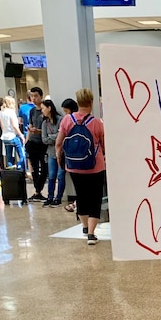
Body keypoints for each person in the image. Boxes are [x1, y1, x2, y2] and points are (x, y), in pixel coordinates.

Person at [55, 88, 105, 245]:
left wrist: (60, 158)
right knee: (95, 197)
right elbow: (104, 145)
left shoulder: (67, 120)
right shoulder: (96, 122)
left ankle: (84, 226)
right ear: (91, 102)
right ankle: (91, 234)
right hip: (94, 166)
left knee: (81, 196)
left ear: (78, 102)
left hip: (74, 166)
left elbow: (58, 143)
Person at [25, 86, 48, 201]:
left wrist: (38, 131)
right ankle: (37, 191)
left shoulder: (45, 110)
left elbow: (48, 129)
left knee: (44, 168)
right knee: (34, 168)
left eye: (36, 96)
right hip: (32, 142)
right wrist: (27, 140)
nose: (33, 99)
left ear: (41, 96)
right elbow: (30, 125)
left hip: (43, 144)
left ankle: (39, 188)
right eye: (32, 96)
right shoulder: (32, 111)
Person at [41, 99, 65, 208]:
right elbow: (44, 140)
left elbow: (63, 135)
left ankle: (58, 198)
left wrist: (54, 137)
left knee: (60, 175)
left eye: (43, 108)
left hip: (61, 152)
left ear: (49, 108)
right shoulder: (44, 123)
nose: (42, 111)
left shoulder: (61, 120)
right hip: (51, 152)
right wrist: (56, 136)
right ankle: (50, 197)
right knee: (51, 175)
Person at [60, 98, 79, 213]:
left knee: (79, 185)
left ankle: (77, 204)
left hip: (72, 157)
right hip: (87, 158)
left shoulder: (67, 121)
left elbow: (59, 141)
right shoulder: (91, 120)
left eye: (66, 111)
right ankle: (77, 203)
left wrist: (59, 154)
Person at [0, 96, 26, 171]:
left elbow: (2, 126)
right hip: (13, 135)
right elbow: (15, 126)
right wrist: (21, 135)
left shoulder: (1, 112)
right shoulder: (11, 112)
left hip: (5, 136)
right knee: (21, 155)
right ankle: (21, 169)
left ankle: (11, 172)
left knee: (9, 156)